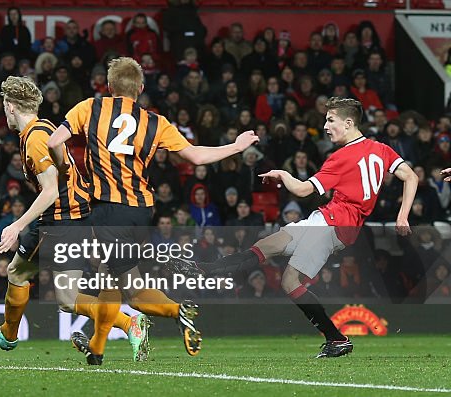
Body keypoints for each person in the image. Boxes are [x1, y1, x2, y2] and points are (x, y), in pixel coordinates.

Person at [46, 57, 260, 358]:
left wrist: (65, 169)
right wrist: (236, 147)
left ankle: (178, 310)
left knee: (131, 291)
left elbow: (55, 141)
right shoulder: (155, 122)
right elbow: (195, 156)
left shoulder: (89, 108)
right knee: (112, 274)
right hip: (142, 211)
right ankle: (96, 351)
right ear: (141, 88)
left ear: (108, 87)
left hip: (110, 209)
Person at [207, 97, 417, 358]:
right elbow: (411, 176)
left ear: (349, 123)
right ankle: (205, 270)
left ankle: (336, 338)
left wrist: (283, 174)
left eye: (331, 120)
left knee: (289, 281)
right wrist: (403, 216)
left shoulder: (341, 158)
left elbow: (303, 189)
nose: (326, 126)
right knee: (266, 245)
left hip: (331, 225)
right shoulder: (381, 149)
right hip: (327, 221)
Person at [0, 76, 148, 365]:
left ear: (11, 107)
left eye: (4, 106)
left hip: (63, 219)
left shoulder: (36, 140)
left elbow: (50, 190)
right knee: (17, 272)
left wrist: (16, 225)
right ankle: (7, 334)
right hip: (65, 216)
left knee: (66, 297)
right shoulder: (43, 129)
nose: (4, 112)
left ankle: (129, 324)